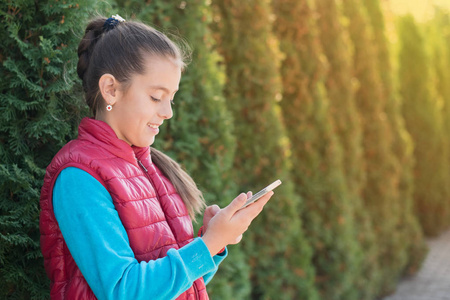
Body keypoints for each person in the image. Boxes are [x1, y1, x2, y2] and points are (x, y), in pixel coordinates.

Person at [39, 14, 274, 300]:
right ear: (111, 90)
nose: (168, 112)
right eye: (156, 97)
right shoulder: (78, 177)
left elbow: (177, 287)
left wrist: (213, 242)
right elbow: (124, 292)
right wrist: (209, 244)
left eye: (171, 98)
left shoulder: (154, 170)